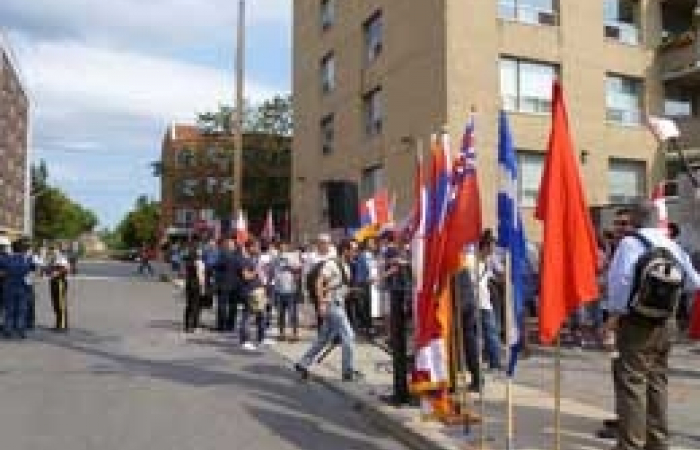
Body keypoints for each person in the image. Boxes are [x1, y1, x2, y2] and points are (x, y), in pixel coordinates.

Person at [604, 200, 700, 450]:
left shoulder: (629, 244)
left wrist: (614, 316)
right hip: (666, 322)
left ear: (635, 220)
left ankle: (631, 444)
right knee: (658, 381)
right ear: (657, 219)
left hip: (637, 322)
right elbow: (693, 283)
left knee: (632, 383)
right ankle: (658, 442)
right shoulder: (671, 245)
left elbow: (621, 282)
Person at [294, 239, 360, 381]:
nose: (356, 253)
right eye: (353, 250)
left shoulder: (346, 267)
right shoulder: (331, 264)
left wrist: (352, 290)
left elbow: (338, 286)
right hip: (332, 305)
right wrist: (322, 303)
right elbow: (319, 282)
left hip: (337, 304)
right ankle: (347, 371)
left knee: (323, 338)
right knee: (349, 336)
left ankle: (303, 363)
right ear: (345, 250)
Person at [0, 239, 37, 339]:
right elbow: (33, 271)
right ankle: (20, 330)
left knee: (9, 309)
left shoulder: (5, 259)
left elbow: (2, 272)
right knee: (21, 310)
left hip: (8, 287)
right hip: (23, 287)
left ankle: (8, 330)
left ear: (12, 248)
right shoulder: (28, 260)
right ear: (23, 249)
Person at [239, 239, 267, 351]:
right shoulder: (245, 260)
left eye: (258, 247)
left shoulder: (254, 260)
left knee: (261, 315)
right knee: (247, 316)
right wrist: (256, 271)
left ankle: (261, 338)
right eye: (256, 246)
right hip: (250, 291)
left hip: (258, 290)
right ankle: (245, 340)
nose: (258, 249)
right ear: (250, 247)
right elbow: (246, 276)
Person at [272, 241, 301, 341]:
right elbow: (272, 272)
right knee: (280, 313)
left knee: (292, 313)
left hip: (290, 289)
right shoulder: (275, 258)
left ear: (287, 247)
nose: (282, 249)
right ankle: (282, 333)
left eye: (284, 247)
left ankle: (295, 334)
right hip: (278, 289)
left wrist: (290, 266)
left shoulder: (293, 257)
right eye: (280, 247)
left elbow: (298, 270)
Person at [214, 237, 243, 332]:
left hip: (224, 284)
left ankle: (221, 325)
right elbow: (241, 269)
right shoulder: (238, 256)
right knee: (232, 306)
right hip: (235, 284)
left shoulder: (222, 255)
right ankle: (230, 325)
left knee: (222, 305)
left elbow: (216, 267)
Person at [183, 246, 206, 333]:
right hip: (196, 286)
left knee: (189, 305)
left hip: (189, 285)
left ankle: (187, 326)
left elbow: (185, 275)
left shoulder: (188, 263)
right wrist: (203, 287)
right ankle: (195, 326)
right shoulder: (199, 263)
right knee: (196, 306)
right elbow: (200, 276)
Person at [47, 246, 71, 331]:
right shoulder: (53, 259)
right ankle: (58, 323)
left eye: (53, 249)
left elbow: (67, 269)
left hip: (60, 282)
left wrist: (57, 273)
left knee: (61, 304)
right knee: (55, 304)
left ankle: (63, 325)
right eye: (51, 249)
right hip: (53, 282)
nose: (52, 251)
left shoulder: (61, 258)